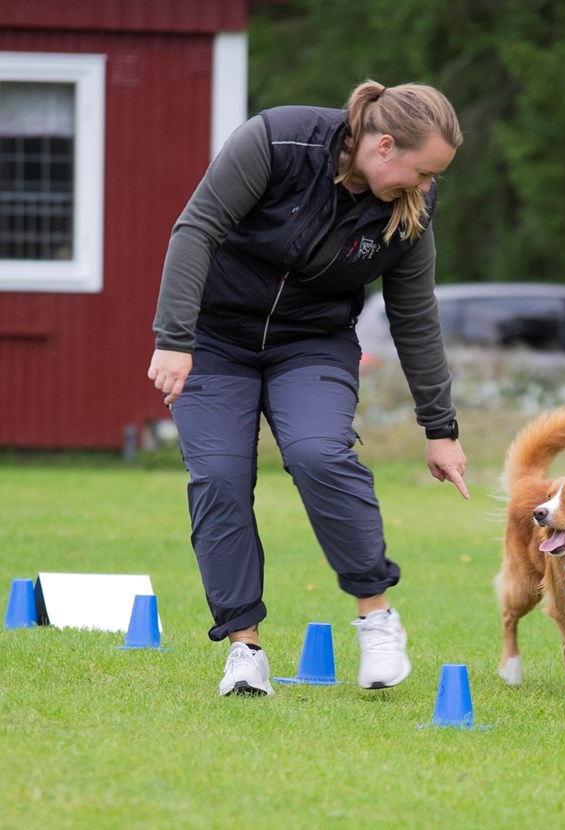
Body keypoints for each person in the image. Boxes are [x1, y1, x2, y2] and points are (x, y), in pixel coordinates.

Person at [147, 79, 470, 697]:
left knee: (318, 453)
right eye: (424, 171)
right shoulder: (277, 140)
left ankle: (376, 618)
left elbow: (414, 318)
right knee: (219, 475)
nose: (427, 187)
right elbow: (197, 229)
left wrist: (441, 428)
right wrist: (174, 339)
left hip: (312, 343)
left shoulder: (408, 210)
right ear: (384, 146)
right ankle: (244, 650)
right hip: (215, 340)